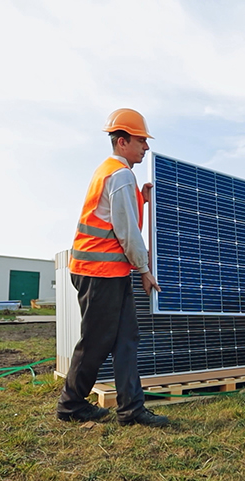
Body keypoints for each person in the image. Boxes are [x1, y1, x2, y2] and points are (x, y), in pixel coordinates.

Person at [56, 108, 169, 427]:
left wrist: (142, 199)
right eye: (141, 140)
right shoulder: (120, 175)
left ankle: (131, 410)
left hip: (109, 272)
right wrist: (144, 269)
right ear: (122, 142)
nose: (145, 147)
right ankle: (70, 405)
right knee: (96, 340)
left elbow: (116, 215)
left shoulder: (115, 173)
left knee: (125, 338)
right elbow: (126, 231)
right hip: (98, 272)